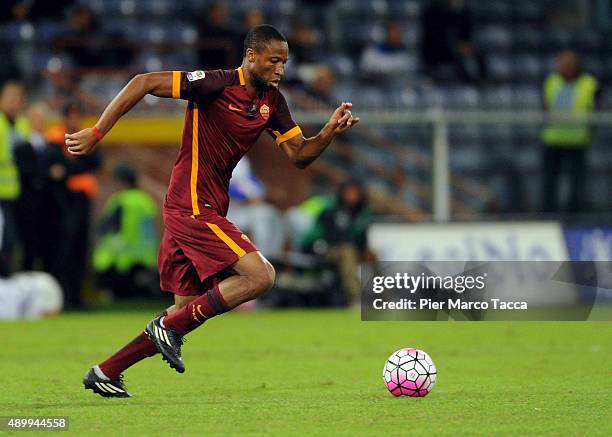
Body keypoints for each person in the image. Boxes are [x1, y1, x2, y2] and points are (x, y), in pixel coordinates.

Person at [65, 24, 360, 398]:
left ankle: (105, 371)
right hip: (190, 203)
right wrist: (98, 131)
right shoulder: (214, 84)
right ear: (251, 55)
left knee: (184, 312)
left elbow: (299, 156)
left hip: (206, 205)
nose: (280, 69)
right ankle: (166, 331)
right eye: (273, 61)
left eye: (284, 62)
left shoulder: (272, 102)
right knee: (260, 276)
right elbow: (142, 82)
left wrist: (330, 131)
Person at [540, 50, 600, 213]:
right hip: (553, 139)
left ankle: (575, 215)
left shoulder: (589, 83)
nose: (565, 67)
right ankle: (547, 214)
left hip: (577, 140)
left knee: (577, 182)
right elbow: (544, 107)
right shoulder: (551, 81)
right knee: (550, 180)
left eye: (569, 64)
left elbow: (596, 111)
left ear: (576, 65)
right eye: (562, 64)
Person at [93, 162, 159, 299]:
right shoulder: (146, 201)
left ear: (120, 181)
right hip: (145, 257)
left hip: (120, 260)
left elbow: (108, 228)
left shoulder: (121, 201)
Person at [301, 180, 372, 305]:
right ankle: (356, 299)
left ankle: (384, 299)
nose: (352, 196)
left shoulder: (362, 213)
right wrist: (315, 246)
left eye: (355, 192)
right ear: (342, 193)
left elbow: (361, 238)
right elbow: (313, 236)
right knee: (347, 253)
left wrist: (364, 252)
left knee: (373, 256)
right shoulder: (330, 210)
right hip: (327, 250)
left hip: (353, 250)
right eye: (349, 192)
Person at [0, 80, 29, 275]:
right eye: (9, 98)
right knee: (6, 239)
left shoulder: (23, 125)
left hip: (16, 193)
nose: (13, 102)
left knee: (12, 241)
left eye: (17, 98)